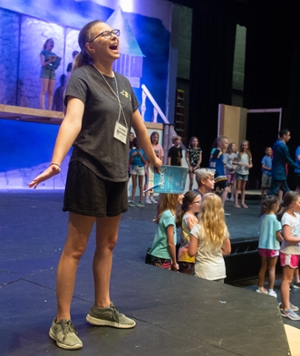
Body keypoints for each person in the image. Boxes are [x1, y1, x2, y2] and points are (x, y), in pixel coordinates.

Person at [29, 20, 161, 350]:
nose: (114, 37)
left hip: (118, 172)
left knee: (109, 243)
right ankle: (61, 321)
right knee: (76, 247)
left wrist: (154, 159)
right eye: (106, 34)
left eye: (114, 32)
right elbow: (72, 120)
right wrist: (56, 160)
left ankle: (101, 307)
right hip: (89, 167)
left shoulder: (125, 84)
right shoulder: (82, 77)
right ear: (91, 47)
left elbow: (140, 128)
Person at [188, 193, 231, 281]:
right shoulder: (223, 228)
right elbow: (227, 250)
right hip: (219, 271)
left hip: (203, 272)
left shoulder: (197, 229)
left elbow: (191, 252)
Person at [277, 191, 300, 320]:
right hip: (289, 252)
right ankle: (286, 308)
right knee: (287, 279)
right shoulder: (287, 217)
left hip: (295, 251)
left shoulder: (296, 215)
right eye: (299, 202)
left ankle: (287, 303)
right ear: (292, 204)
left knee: (289, 279)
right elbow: (287, 237)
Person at [148, 193, 184, 271]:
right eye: (180, 194)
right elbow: (171, 243)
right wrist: (174, 262)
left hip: (161, 256)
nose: (183, 196)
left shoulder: (167, 213)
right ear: (172, 197)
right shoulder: (169, 216)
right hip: (162, 256)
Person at [256, 195, 282, 297]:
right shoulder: (275, 220)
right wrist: (283, 240)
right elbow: (278, 235)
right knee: (272, 268)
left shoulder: (262, 217)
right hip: (273, 247)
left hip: (262, 246)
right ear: (275, 206)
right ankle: (271, 290)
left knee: (263, 267)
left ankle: (260, 287)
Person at [268, 129, 300, 196]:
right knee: (273, 191)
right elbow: (288, 159)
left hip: (278, 171)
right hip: (279, 172)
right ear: (284, 136)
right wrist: (298, 167)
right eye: (288, 135)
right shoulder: (282, 146)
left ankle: (291, 204)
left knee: (287, 191)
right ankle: (267, 205)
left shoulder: (276, 144)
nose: (289, 137)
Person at [177, 191, 201, 274]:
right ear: (190, 204)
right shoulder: (190, 218)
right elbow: (198, 233)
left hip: (188, 254)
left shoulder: (191, 216)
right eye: (198, 202)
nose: (201, 204)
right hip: (187, 255)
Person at [40, 38, 60, 110]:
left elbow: (54, 67)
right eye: (51, 42)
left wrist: (57, 64)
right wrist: (50, 60)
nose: (52, 44)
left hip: (52, 72)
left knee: (51, 92)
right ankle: (43, 109)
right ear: (46, 44)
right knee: (44, 90)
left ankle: (49, 109)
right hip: (45, 71)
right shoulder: (43, 52)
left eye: (53, 43)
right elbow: (42, 64)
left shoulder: (54, 54)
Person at [209, 136, 229, 205]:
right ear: (220, 143)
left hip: (216, 173)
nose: (227, 145)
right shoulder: (217, 151)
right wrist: (214, 171)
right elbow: (212, 162)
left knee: (212, 191)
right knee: (226, 189)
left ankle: (212, 207)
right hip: (218, 174)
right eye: (226, 143)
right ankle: (221, 206)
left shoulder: (216, 151)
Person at [145, 131, 164, 204]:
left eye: (156, 137)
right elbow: (146, 156)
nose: (155, 139)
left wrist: (160, 166)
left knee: (153, 182)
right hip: (149, 165)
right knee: (147, 182)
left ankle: (151, 197)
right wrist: (145, 167)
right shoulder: (149, 145)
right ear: (151, 137)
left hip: (156, 166)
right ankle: (146, 197)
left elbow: (161, 157)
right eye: (154, 137)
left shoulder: (159, 147)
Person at [128, 137, 147, 208]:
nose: (138, 144)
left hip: (141, 168)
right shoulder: (132, 151)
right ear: (135, 143)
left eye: (139, 142)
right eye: (137, 142)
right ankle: (132, 200)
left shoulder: (143, 151)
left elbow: (145, 163)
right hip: (133, 168)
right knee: (134, 185)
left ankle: (141, 201)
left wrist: (141, 155)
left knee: (141, 185)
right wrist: (132, 156)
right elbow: (129, 162)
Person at [234, 140, 253, 209]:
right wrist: (238, 163)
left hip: (245, 172)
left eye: (245, 145)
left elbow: (251, 164)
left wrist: (250, 166)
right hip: (239, 171)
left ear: (247, 146)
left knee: (243, 188)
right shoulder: (238, 153)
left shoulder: (249, 154)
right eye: (243, 145)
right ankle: (236, 202)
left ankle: (242, 202)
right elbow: (233, 161)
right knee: (238, 187)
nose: (244, 146)